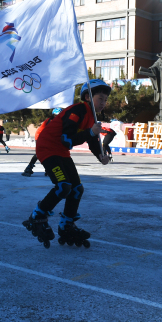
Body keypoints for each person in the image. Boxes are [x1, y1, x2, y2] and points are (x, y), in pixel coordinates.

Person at [23, 80, 112, 249]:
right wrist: (89, 132)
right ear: (87, 97)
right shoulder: (77, 110)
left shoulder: (91, 116)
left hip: (61, 152)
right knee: (63, 186)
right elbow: (67, 139)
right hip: (48, 148)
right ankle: (37, 215)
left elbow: (91, 139)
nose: (103, 103)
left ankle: (66, 224)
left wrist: (101, 155)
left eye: (105, 100)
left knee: (77, 188)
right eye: (100, 98)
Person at [23, 108, 63, 177]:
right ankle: (29, 168)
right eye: (56, 115)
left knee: (51, 153)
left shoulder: (59, 121)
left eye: (59, 115)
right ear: (53, 115)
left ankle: (48, 169)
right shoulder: (51, 121)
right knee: (40, 153)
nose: (58, 117)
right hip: (40, 136)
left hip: (47, 137)